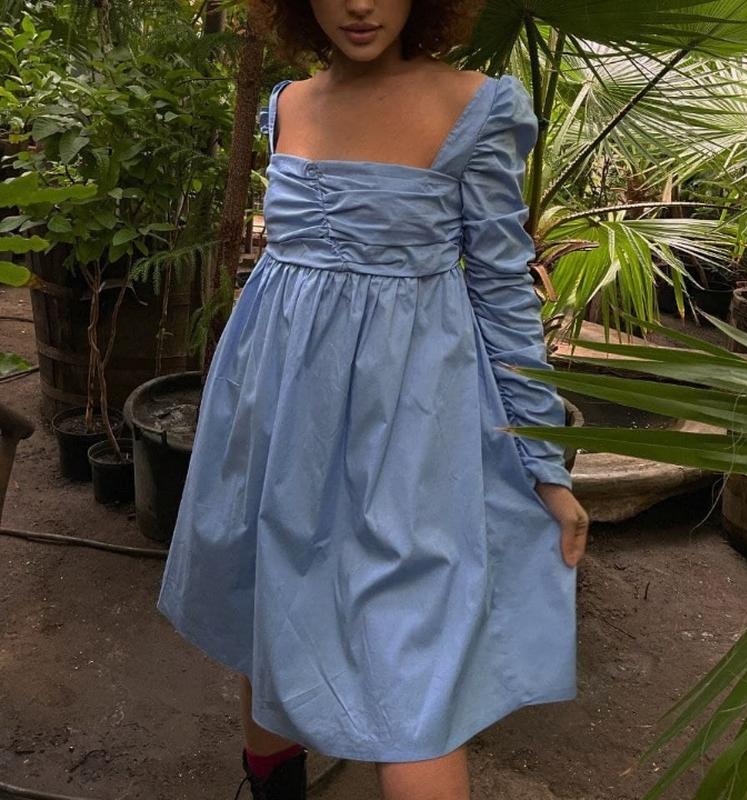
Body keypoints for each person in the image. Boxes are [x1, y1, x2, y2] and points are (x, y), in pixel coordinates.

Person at [157, 1, 589, 798]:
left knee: (411, 677)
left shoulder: (474, 106)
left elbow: (503, 290)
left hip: (410, 433)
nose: (360, 4)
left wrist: (543, 463)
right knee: (269, 611)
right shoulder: (287, 103)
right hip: (278, 414)